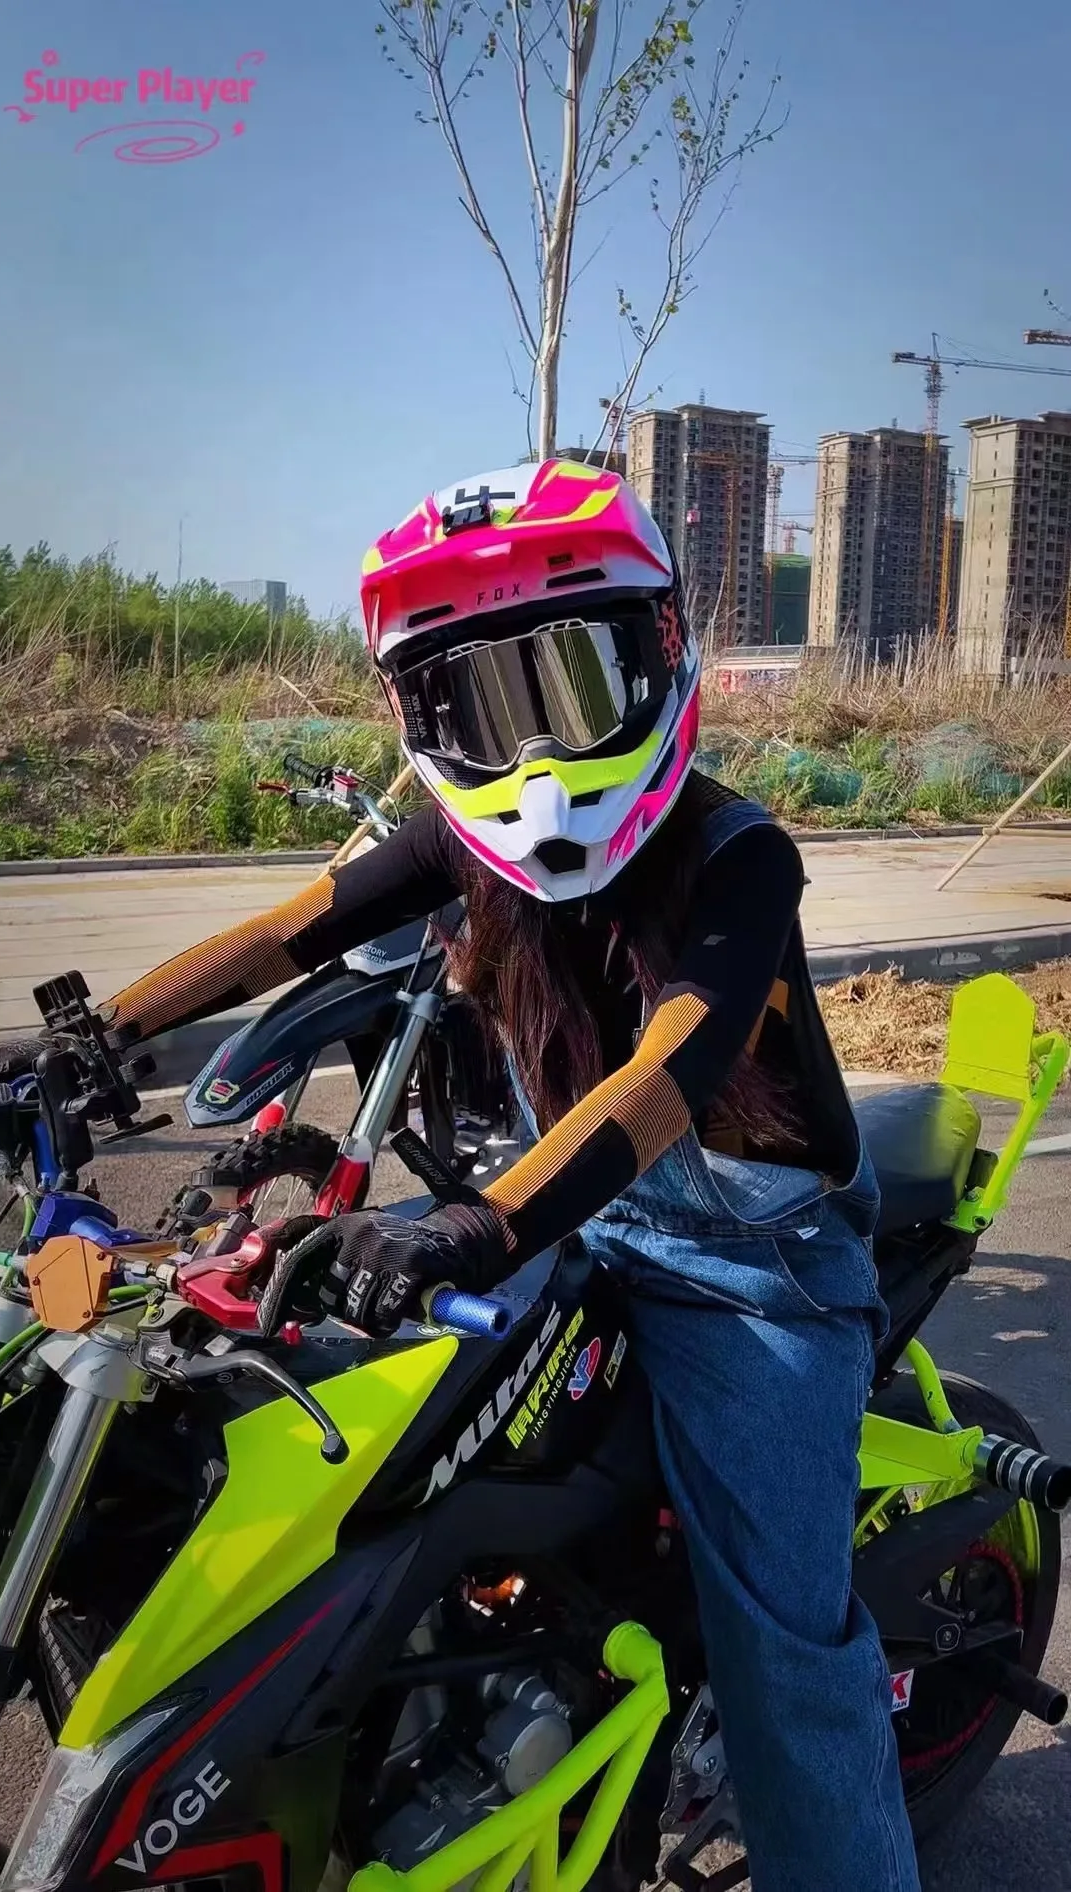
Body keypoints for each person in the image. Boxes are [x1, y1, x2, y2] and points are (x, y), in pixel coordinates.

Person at [63, 463, 922, 1889]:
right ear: (422, 720)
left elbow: (669, 1077)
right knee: (276, 1364)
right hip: (559, 1213)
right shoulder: (463, 847)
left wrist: (485, 1221)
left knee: (786, 1647)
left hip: (753, 1272)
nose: (530, 756)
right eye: (476, 702)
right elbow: (291, 929)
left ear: (656, 652)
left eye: (567, 684)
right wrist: (93, 1038)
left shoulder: (739, 855)